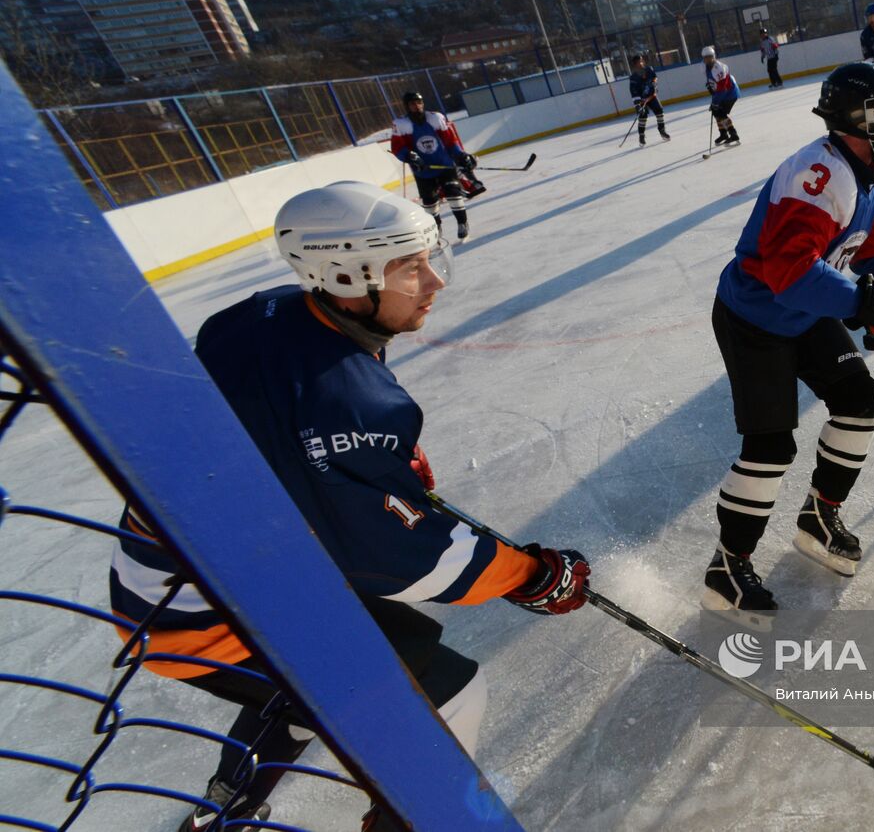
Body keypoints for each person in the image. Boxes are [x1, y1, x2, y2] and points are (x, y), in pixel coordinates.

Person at [108, 181, 591, 831]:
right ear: (345, 273)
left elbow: (274, 435)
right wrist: (530, 575)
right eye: (409, 267)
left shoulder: (263, 315)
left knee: (313, 692)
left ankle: (221, 811)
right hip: (213, 611)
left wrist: (360, 471)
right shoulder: (348, 400)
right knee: (447, 696)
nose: (433, 283)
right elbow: (399, 559)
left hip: (172, 580)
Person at [704, 62, 874, 627]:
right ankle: (728, 566)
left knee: (859, 404)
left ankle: (819, 517)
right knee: (770, 448)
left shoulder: (873, 177)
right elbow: (787, 272)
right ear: (855, 118)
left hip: (806, 309)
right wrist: (862, 304)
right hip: (756, 318)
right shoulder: (820, 177)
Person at [390, 91, 483, 241]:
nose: (417, 106)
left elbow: (451, 141)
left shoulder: (436, 118)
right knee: (430, 204)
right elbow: (397, 147)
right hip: (423, 171)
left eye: (419, 102)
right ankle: (436, 229)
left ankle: (462, 223)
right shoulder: (401, 124)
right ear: (407, 106)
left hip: (445, 166)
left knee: (453, 193)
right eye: (413, 103)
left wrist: (461, 155)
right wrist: (409, 156)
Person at [703, 45, 741, 145]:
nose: (707, 59)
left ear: (713, 56)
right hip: (723, 93)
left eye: (709, 57)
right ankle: (723, 134)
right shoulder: (707, 67)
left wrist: (715, 102)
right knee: (716, 112)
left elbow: (722, 89)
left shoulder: (718, 68)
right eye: (705, 57)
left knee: (720, 113)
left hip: (730, 93)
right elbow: (714, 83)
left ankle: (733, 134)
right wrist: (710, 86)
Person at [628, 53, 670, 145]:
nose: (642, 63)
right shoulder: (633, 78)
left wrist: (654, 82)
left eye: (642, 61)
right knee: (642, 116)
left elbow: (655, 77)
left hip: (651, 96)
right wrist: (638, 105)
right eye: (639, 62)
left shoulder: (649, 69)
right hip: (642, 99)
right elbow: (633, 92)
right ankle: (641, 136)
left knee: (659, 110)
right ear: (635, 64)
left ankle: (662, 130)